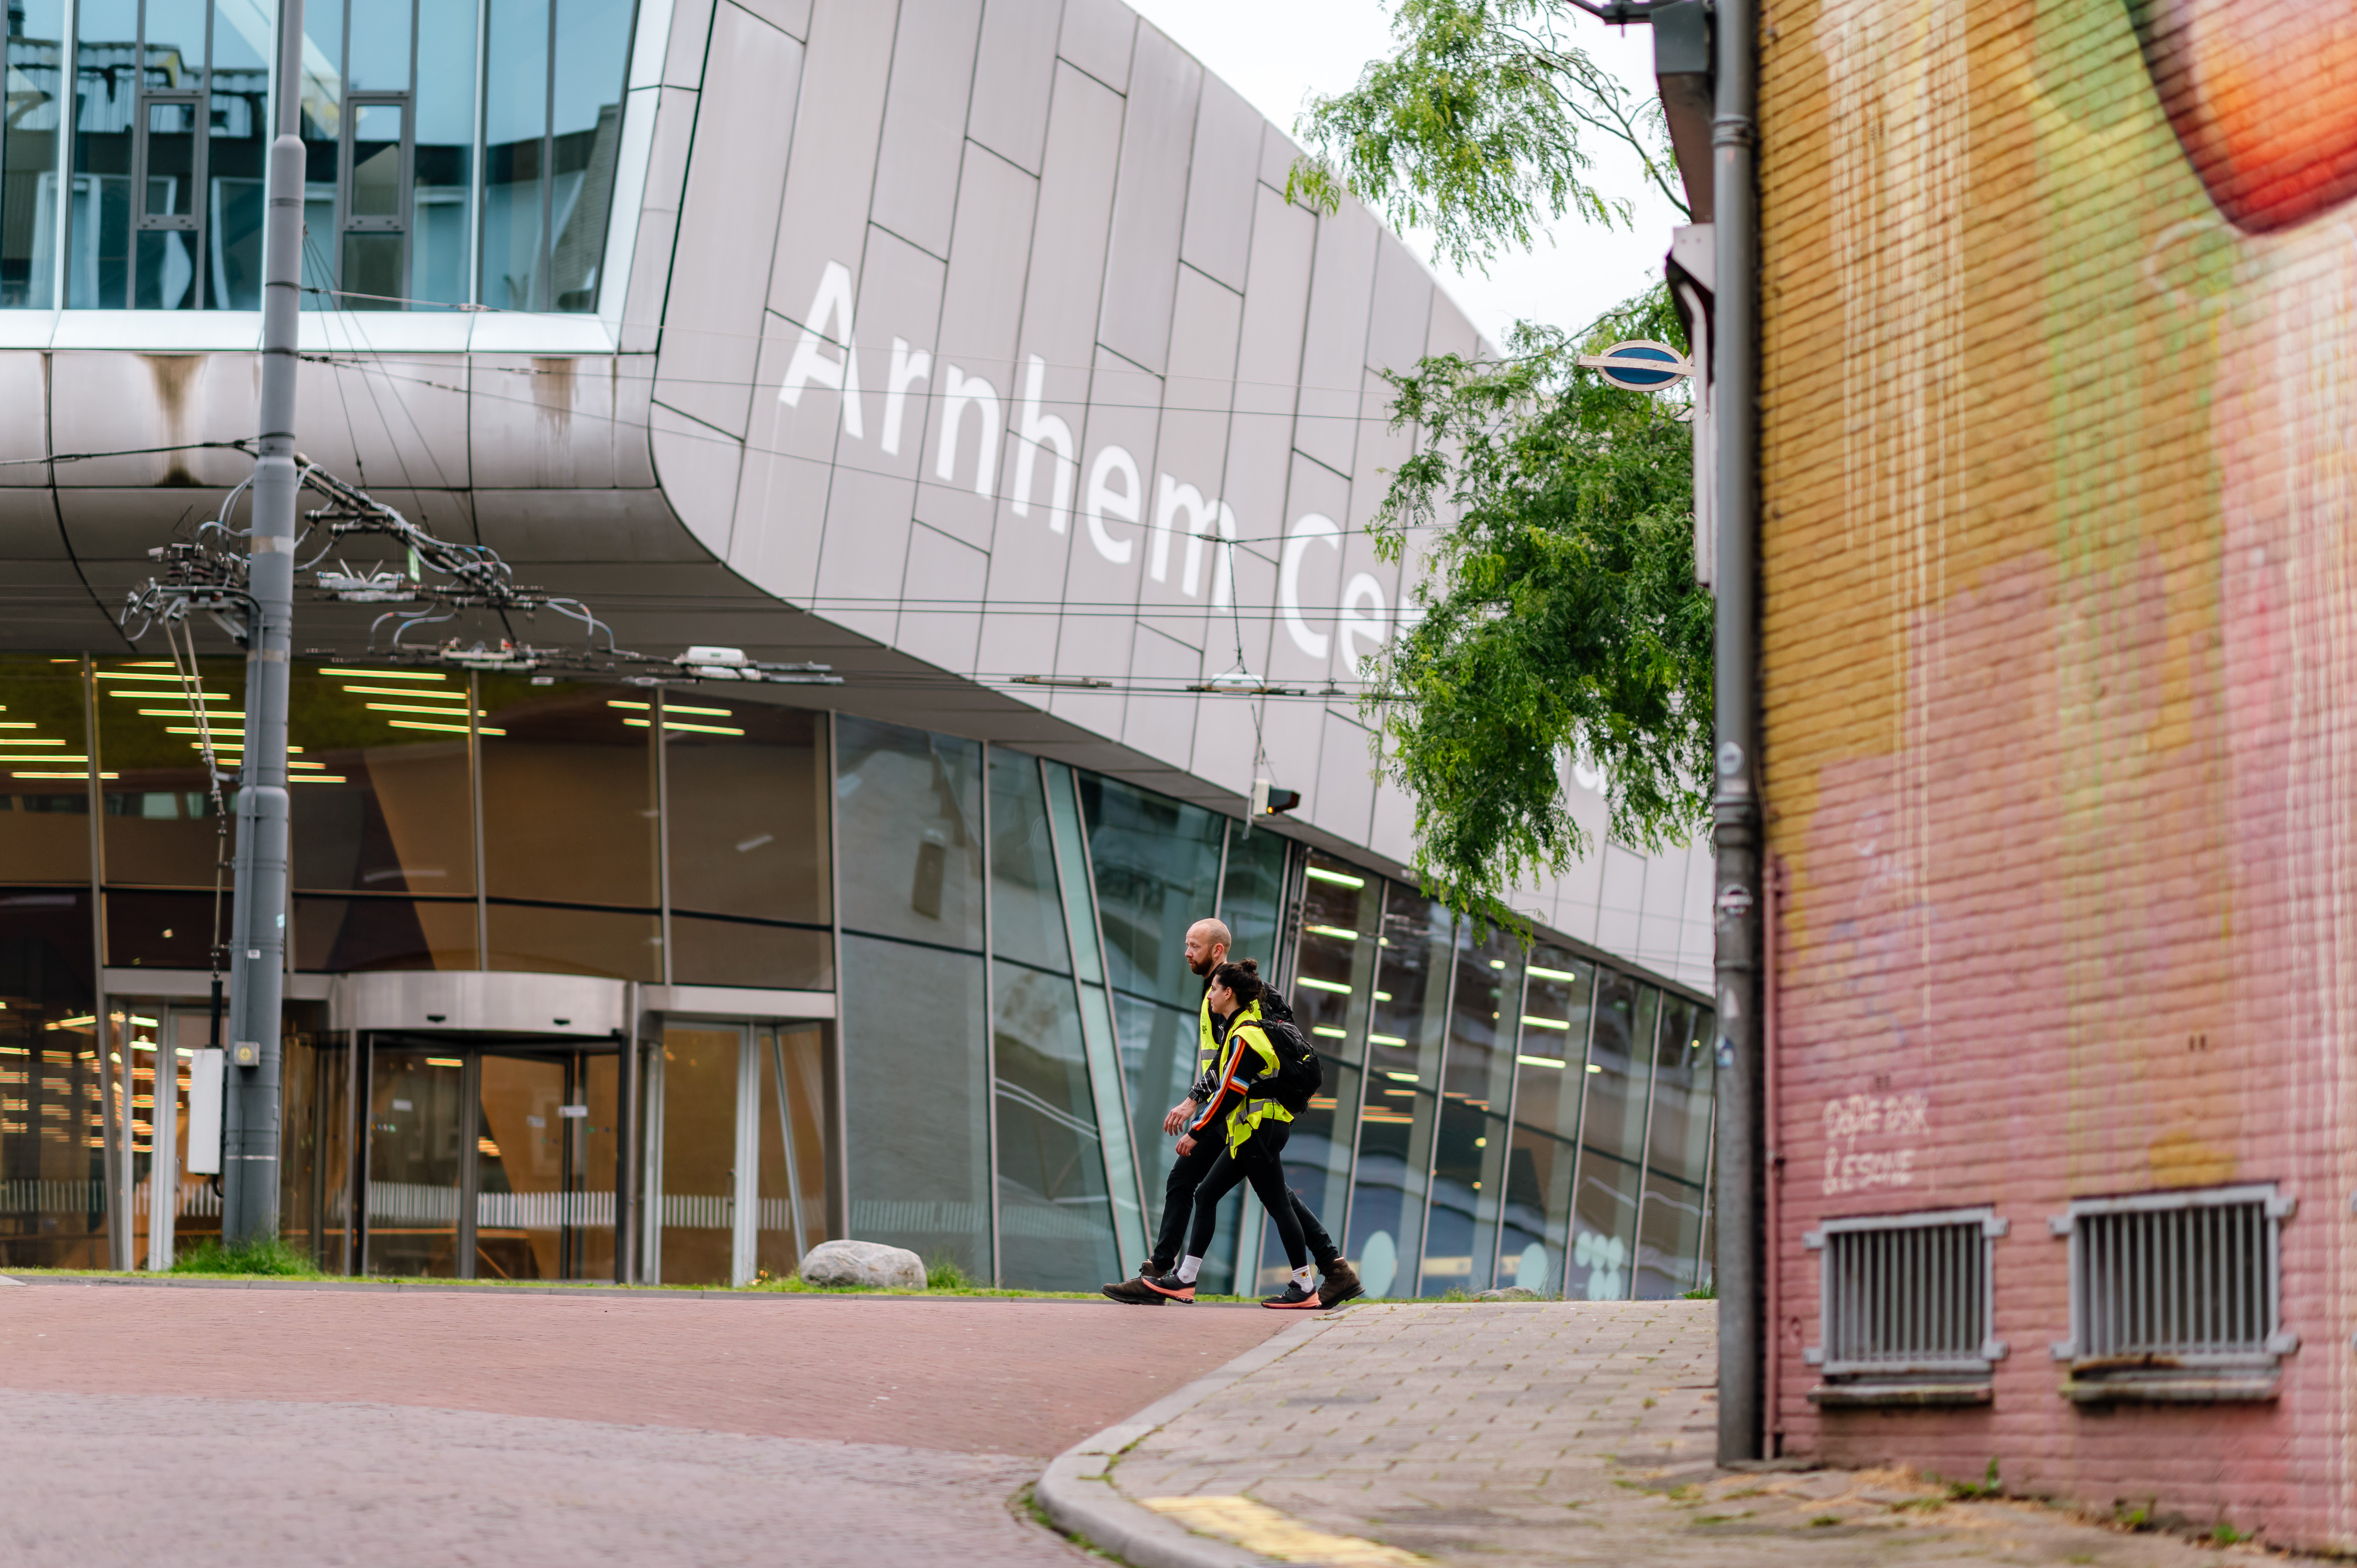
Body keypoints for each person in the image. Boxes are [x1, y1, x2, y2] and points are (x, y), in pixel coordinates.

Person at [1104, 921, 1359, 1307]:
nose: (1187, 952)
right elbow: (1224, 1064)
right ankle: (1164, 1274)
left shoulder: (1242, 997)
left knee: (1251, 1191)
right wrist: (1198, 1100)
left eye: (1194, 946)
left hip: (1247, 1111)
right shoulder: (1215, 996)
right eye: (1187, 944)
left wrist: (1195, 1104)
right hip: (1234, 1110)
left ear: (1218, 951)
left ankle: (1319, 1274)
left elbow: (1239, 1063)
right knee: (1224, 1187)